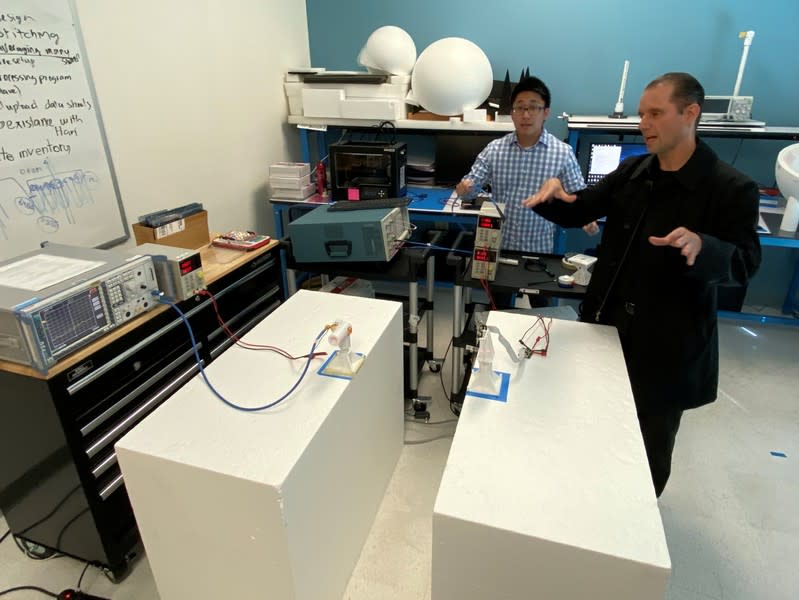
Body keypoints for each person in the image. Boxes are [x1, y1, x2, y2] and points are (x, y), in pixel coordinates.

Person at [523, 72, 761, 496]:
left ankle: (634, 537)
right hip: (608, 328)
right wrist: (555, 198)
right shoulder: (634, 172)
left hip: (667, 349)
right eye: (641, 114)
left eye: (655, 113)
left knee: (648, 451)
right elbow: (582, 210)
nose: (643, 124)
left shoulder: (729, 187)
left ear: (691, 114)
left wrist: (703, 246)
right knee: (597, 429)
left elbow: (744, 264)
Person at [456, 76, 588, 254]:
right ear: (512, 113)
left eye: (533, 107)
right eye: (520, 107)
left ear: (545, 112)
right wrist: (464, 189)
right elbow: (468, 189)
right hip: (499, 248)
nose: (526, 115)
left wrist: (584, 215)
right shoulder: (494, 149)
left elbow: (580, 199)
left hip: (538, 252)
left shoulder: (563, 153)